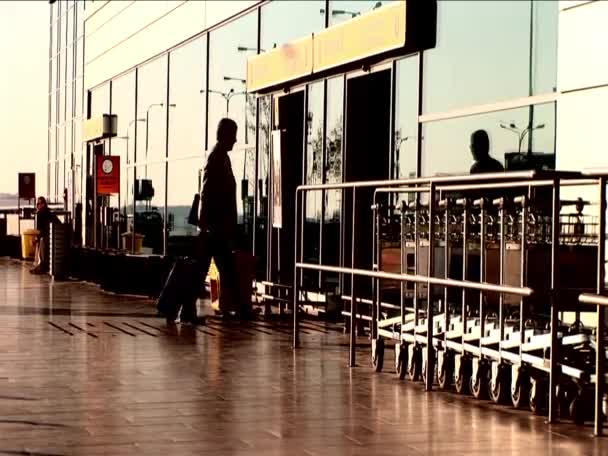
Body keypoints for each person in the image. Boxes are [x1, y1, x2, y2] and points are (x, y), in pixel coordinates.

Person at [31, 196, 61, 274]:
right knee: (40, 239)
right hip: (51, 235)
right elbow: (40, 231)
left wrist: (36, 238)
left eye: (38, 204)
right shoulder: (44, 213)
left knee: (42, 240)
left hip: (52, 235)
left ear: (43, 204)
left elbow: (43, 230)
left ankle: (42, 265)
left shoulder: (44, 214)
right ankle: (40, 264)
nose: (37, 206)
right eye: (36, 204)